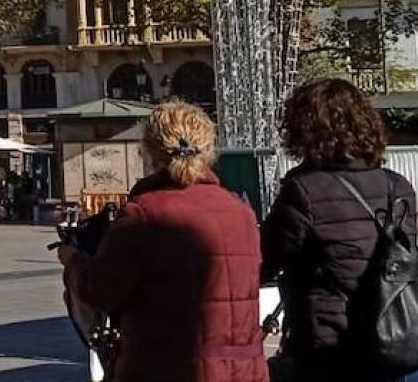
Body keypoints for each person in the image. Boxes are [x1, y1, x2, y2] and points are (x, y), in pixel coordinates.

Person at [56, 100, 265, 382]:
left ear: (150, 153)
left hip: (165, 367)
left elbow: (101, 291)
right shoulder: (241, 213)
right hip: (243, 372)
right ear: (208, 150)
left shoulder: (142, 214)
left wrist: (74, 260)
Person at [263, 77, 418, 382]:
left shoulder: (303, 191)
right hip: (405, 336)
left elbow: (266, 260)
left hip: (336, 346)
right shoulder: (397, 185)